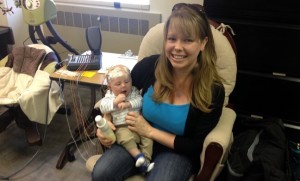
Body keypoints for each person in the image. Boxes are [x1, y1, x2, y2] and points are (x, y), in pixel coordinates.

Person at [92, 3, 225, 181]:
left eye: (187, 40)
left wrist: (149, 131)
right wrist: (106, 123)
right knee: (102, 173)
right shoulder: (149, 66)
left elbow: (193, 146)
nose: (177, 47)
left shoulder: (212, 90)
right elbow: (116, 93)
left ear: (203, 43)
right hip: (135, 138)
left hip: (175, 152)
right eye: (172, 39)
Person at [97, 64, 154, 173]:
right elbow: (103, 107)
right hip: (121, 127)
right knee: (125, 138)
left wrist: (128, 104)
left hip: (138, 124)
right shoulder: (109, 96)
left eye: (127, 82)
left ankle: (145, 161)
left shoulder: (134, 91)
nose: (124, 86)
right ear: (110, 87)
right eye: (118, 84)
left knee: (148, 139)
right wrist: (114, 103)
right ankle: (138, 156)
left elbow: (141, 101)